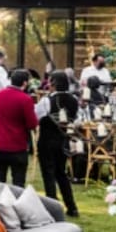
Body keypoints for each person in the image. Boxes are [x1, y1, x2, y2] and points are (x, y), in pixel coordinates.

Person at [36, 71, 80, 217]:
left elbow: (37, 116)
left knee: (48, 174)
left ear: (53, 83)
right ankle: (71, 206)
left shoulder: (46, 101)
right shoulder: (73, 100)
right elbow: (76, 119)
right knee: (61, 173)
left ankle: (52, 208)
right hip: (63, 140)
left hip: (47, 140)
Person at [0, 69, 38, 187]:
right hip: (17, 146)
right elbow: (32, 124)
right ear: (25, 83)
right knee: (18, 182)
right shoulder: (25, 99)